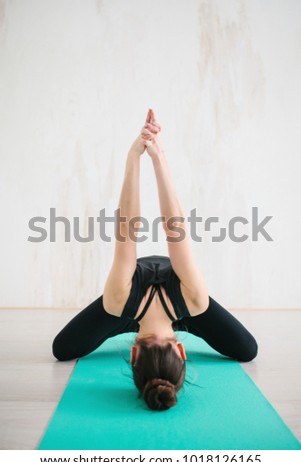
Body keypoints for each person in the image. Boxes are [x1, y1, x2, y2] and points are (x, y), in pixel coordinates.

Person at [52, 109, 258, 411]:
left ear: (181, 352)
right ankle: (171, 324)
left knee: (64, 348)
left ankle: (132, 324)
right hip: (180, 312)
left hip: (130, 311)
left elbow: (138, 227)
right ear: (135, 355)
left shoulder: (119, 300)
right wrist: (155, 154)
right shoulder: (191, 301)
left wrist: (139, 155)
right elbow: (169, 226)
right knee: (246, 350)